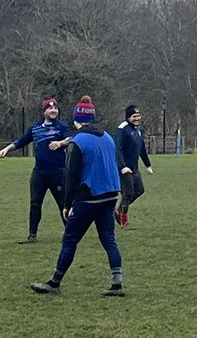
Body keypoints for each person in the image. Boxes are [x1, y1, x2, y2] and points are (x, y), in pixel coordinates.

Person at [30, 96, 126, 297]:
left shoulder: (78, 141)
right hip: (110, 196)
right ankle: (117, 283)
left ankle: (55, 282)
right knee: (109, 239)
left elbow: (71, 176)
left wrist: (67, 204)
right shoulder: (108, 137)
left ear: (76, 118)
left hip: (88, 197)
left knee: (70, 239)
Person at [0, 95, 73, 244]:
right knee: (35, 203)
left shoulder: (62, 126)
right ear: (44, 111)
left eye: (55, 108)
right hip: (39, 173)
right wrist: (7, 149)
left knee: (63, 204)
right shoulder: (36, 128)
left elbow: (70, 139)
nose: (53, 110)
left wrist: (60, 143)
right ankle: (32, 235)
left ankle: (70, 234)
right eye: (50, 108)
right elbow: (21, 141)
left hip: (58, 172)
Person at [115, 104, 153, 227]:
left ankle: (118, 210)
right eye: (134, 116)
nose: (137, 118)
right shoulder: (122, 129)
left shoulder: (138, 129)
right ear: (128, 117)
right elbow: (118, 149)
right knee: (128, 194)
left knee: (140, 190)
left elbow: (141, 148)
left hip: (135, 168)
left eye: (138, 116)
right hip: (124, 168)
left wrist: (148, 164)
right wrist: (122, 167)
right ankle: (123, 221)